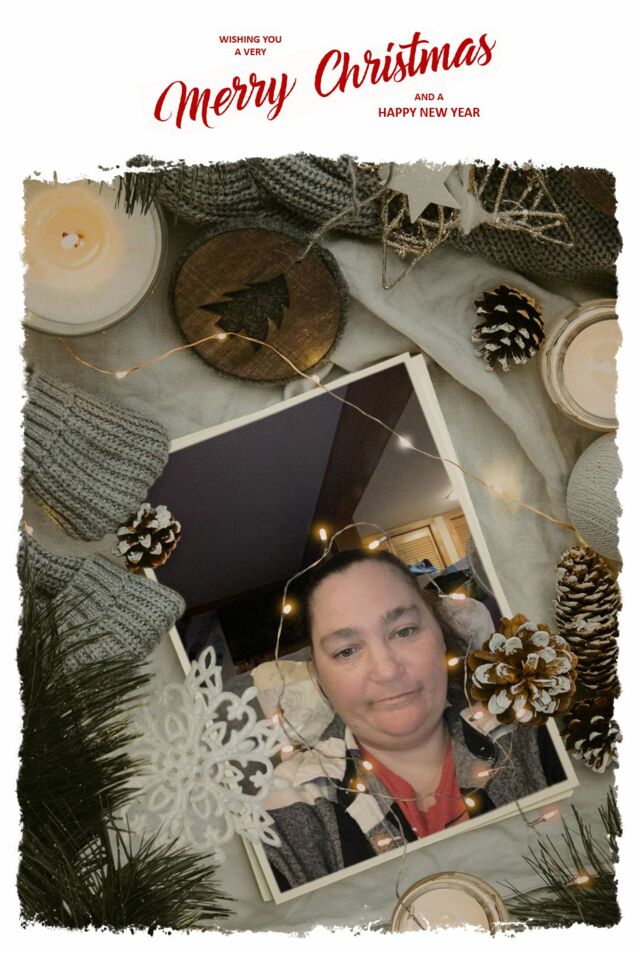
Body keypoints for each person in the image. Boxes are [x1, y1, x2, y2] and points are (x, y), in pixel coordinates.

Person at [262, 549, 565, 891]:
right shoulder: (289, 808)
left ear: (440, 633)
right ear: (320, 676)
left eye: (404, 631)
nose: (387, 670)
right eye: (347, 651)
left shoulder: (530, 728)